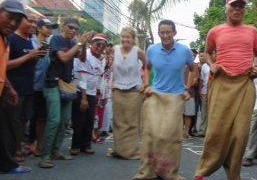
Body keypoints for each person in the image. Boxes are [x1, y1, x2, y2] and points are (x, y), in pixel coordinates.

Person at [194, 0, 257, 180]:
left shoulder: (252, 30)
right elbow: (208, 53)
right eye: (234, 5)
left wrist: (256, 66)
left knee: (240, 135)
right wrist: (212, 64)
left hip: (244, 84)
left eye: (241, 6)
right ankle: (202, 172)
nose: (238, 9)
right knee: (216, 131)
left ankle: (234, 175)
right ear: (227, 8)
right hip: (222, 83)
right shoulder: (215, 31)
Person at [134, 19, 194, 180]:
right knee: (151, 134)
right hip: (156, 96)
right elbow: (146, 67)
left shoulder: (184, 51)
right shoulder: (152, 50)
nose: (165, 35)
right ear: (159, 33)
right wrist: (146, 84)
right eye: (162, 32)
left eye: (168, 32)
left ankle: (169, 172)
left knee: (170, 136)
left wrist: (188, 87)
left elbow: (193, 68)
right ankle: (148, 171)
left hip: (175, 97)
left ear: (174, 33)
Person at [39, 18, 92, 168]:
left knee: (65, 121)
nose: (73, 30)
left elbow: (82, 58)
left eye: (76, 29)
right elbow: (63, 58)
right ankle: (45, 155)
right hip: (52, 83)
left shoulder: (72, 42)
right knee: (55, 120)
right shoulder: (57, 38)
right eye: (71, 27)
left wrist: (84, 43)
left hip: (66, 85)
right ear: (63, 26)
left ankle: (55, 151)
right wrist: (79, 43)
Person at [7, 12, 47, 162]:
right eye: (30, 21)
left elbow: (28, 65)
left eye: (35, 22)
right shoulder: (11, 39)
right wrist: (29, 56)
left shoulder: (30, 41)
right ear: (20, 21)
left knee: (23, 120)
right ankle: (11, 153)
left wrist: (36, 58)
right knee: (13, 121)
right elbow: (5, 65)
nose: (33, 25)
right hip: (13, 88)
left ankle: (17, 148)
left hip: (29, 87)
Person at [0, 0, 32, 174]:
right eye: (9, 17)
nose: (13, 23)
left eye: (17, 20)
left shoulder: (5, 39)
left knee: (7, 130)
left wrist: (8, 88)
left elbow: (1, 68)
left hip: (4, 91)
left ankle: (7, 164)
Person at [111, 27, 146, 159]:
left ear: (133, 39)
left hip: (134, 91)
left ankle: (131, 152)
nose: (125, 40)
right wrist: (112, 81)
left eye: (128, 37)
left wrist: (145, 83)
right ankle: (119, 150)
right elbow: (110, 66)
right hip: (118, 91)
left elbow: (148, 67)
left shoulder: (138, 52)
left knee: (132, 123)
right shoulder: (114, 49)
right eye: (123, 37)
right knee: (118, 122)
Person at [70, 34, 107, 156]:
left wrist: (98, 95)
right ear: (92, 44)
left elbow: (100, 78)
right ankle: (75, 146)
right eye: (98, 44)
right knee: (79, 120)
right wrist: (84, 98)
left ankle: (86, 145)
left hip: (92, 94)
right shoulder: (85, 55)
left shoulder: (102, 59)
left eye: (103, 45)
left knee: (89, 121)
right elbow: (82, 77)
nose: (100, 47)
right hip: (81, 92)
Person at [27, 19, 58, 157]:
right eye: (48, 27)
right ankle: (28, 143)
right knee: (26, 117)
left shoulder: (49, 45)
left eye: (52, 27)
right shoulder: (31, 43)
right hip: (29, 86)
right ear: (39, 29)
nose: (50, 29)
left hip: (44, 86)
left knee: (41, 117)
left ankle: (39, 145)